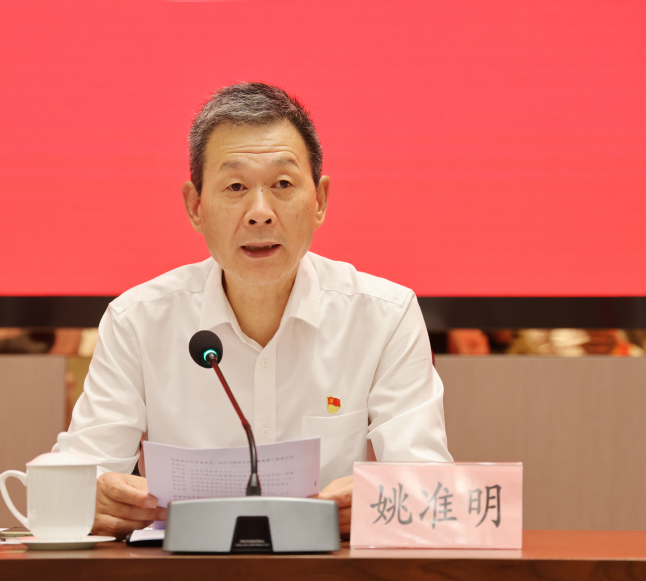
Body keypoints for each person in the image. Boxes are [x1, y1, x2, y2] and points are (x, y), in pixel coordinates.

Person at [60, 82, 452, 538]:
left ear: (320, 200)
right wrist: (86, 499)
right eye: (235, 186)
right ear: (195, 206)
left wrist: (380, 499)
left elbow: (429, 485)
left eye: (283, 184)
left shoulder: (385, 316)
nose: (260, 212)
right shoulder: (137, 321)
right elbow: (78, 474)